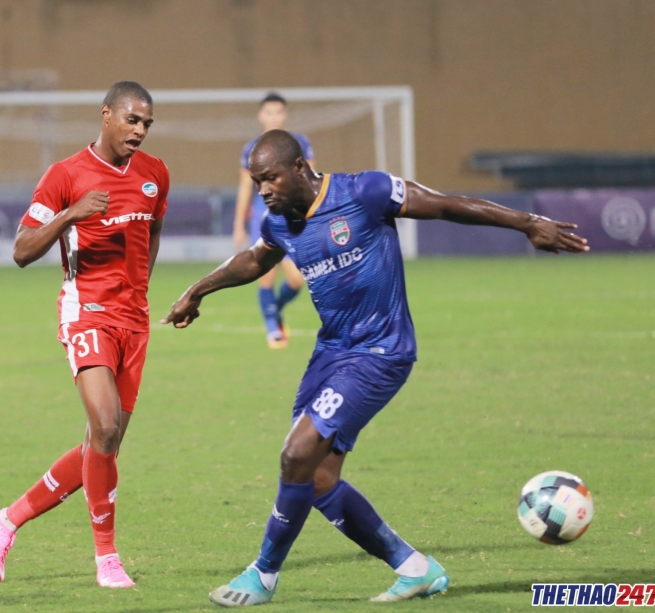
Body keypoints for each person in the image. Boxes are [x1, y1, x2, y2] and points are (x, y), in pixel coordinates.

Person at [162, 130, 589, 606]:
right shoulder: (281, 221)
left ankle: (263, 574)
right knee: (317, 477)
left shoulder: (364, 192)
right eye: (255, 181)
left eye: (269, 179)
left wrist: (527, 222)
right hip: (331, 352)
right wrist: (197, 291)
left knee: (296, 455)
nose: (263, 190)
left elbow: (445, 204)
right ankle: (415, 568)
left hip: (380, 352)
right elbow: (254, 259)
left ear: (298, 168)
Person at [0, 81, 169, 589]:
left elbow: (152, 231)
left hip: (135, 319)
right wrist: (70, 215)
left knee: (103, 445)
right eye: (132, 120)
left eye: (147, 123)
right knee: (104, 428)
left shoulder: (155, 175)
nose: (140, 131)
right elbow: (21, 250)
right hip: (86, 311)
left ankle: (7, 519)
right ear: (106, 116)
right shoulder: (65, 175)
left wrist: (141, 288)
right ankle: (107, 558)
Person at [234, 93, 315, 349]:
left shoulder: (299, 143)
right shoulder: (252, 148)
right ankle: (273, 331)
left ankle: (276, 310)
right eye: (268, 112)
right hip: (263, 217)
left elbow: (311, 180)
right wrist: (239, 225)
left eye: (278, 112)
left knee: (296, 280)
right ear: (261, 116)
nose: (274, 117)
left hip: (293, 217)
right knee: (266, 274)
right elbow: (245, 188)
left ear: (285, 114)